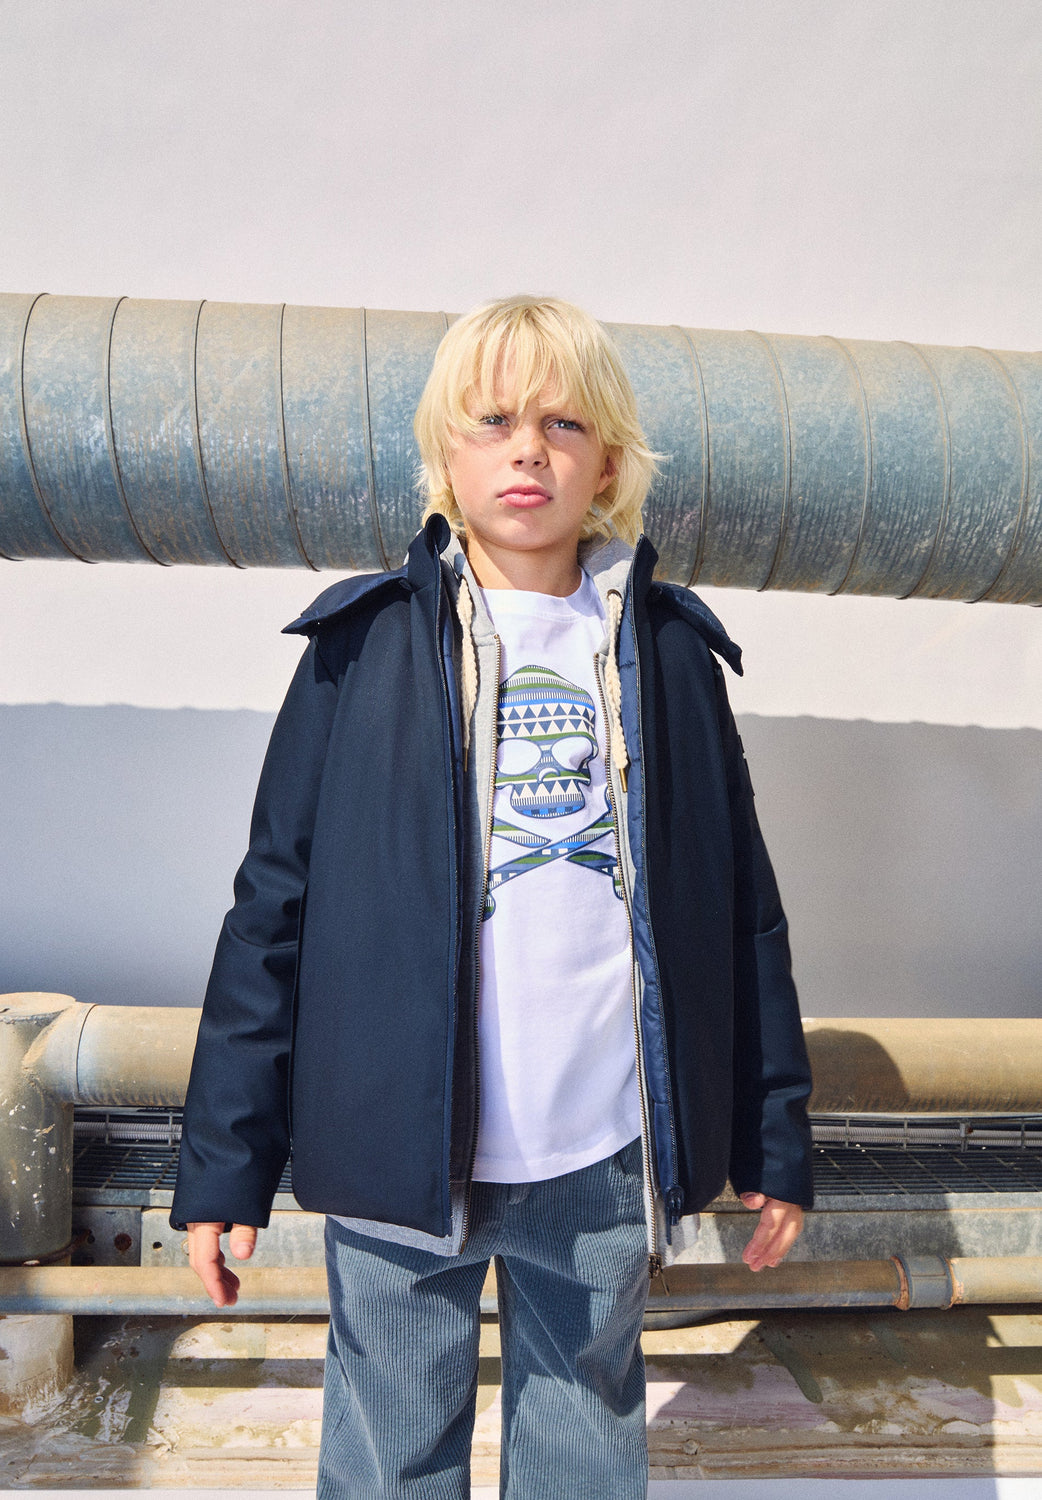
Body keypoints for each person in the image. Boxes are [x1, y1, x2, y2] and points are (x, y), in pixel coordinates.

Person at [171, 294, 814, 1499]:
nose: (529, 449)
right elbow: (272, 912)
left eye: (563, 423)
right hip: (398, 1154)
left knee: (581, 1455)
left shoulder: (670, 654)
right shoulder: (361, 649)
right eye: (494, 421)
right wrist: (224, 1164)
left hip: (601, 1154)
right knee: (390, 1458)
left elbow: (742, 913)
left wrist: (772, 1136)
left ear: (607, 462)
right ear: (445, 452)